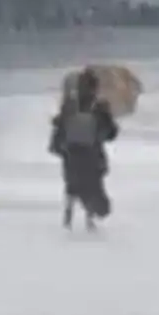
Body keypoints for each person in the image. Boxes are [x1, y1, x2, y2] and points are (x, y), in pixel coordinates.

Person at [48, 68, 119, 231]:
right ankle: (89, 219)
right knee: (94, 188)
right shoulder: (100, 107)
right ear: (96, 88)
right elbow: (111, 133)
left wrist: (57, 147)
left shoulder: (69, 106)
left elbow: (59, 128)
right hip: (92, 156)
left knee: (72, 186)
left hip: (71, 155)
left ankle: (68, 219)